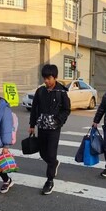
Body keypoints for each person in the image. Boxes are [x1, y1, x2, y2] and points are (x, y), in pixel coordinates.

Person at [28, 64, 71, 195]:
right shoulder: (40, 91)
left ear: (55, 77)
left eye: (49, 78)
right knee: (42, 153)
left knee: (51, 154)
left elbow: (66, 109)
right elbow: (34, 108)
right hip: (41, 127)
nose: (46, 81)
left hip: (54, 129)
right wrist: (32, 125)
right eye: (44, 78)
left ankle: (49, 181)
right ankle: (54, 163)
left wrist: (58, 120)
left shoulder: (62, 92)